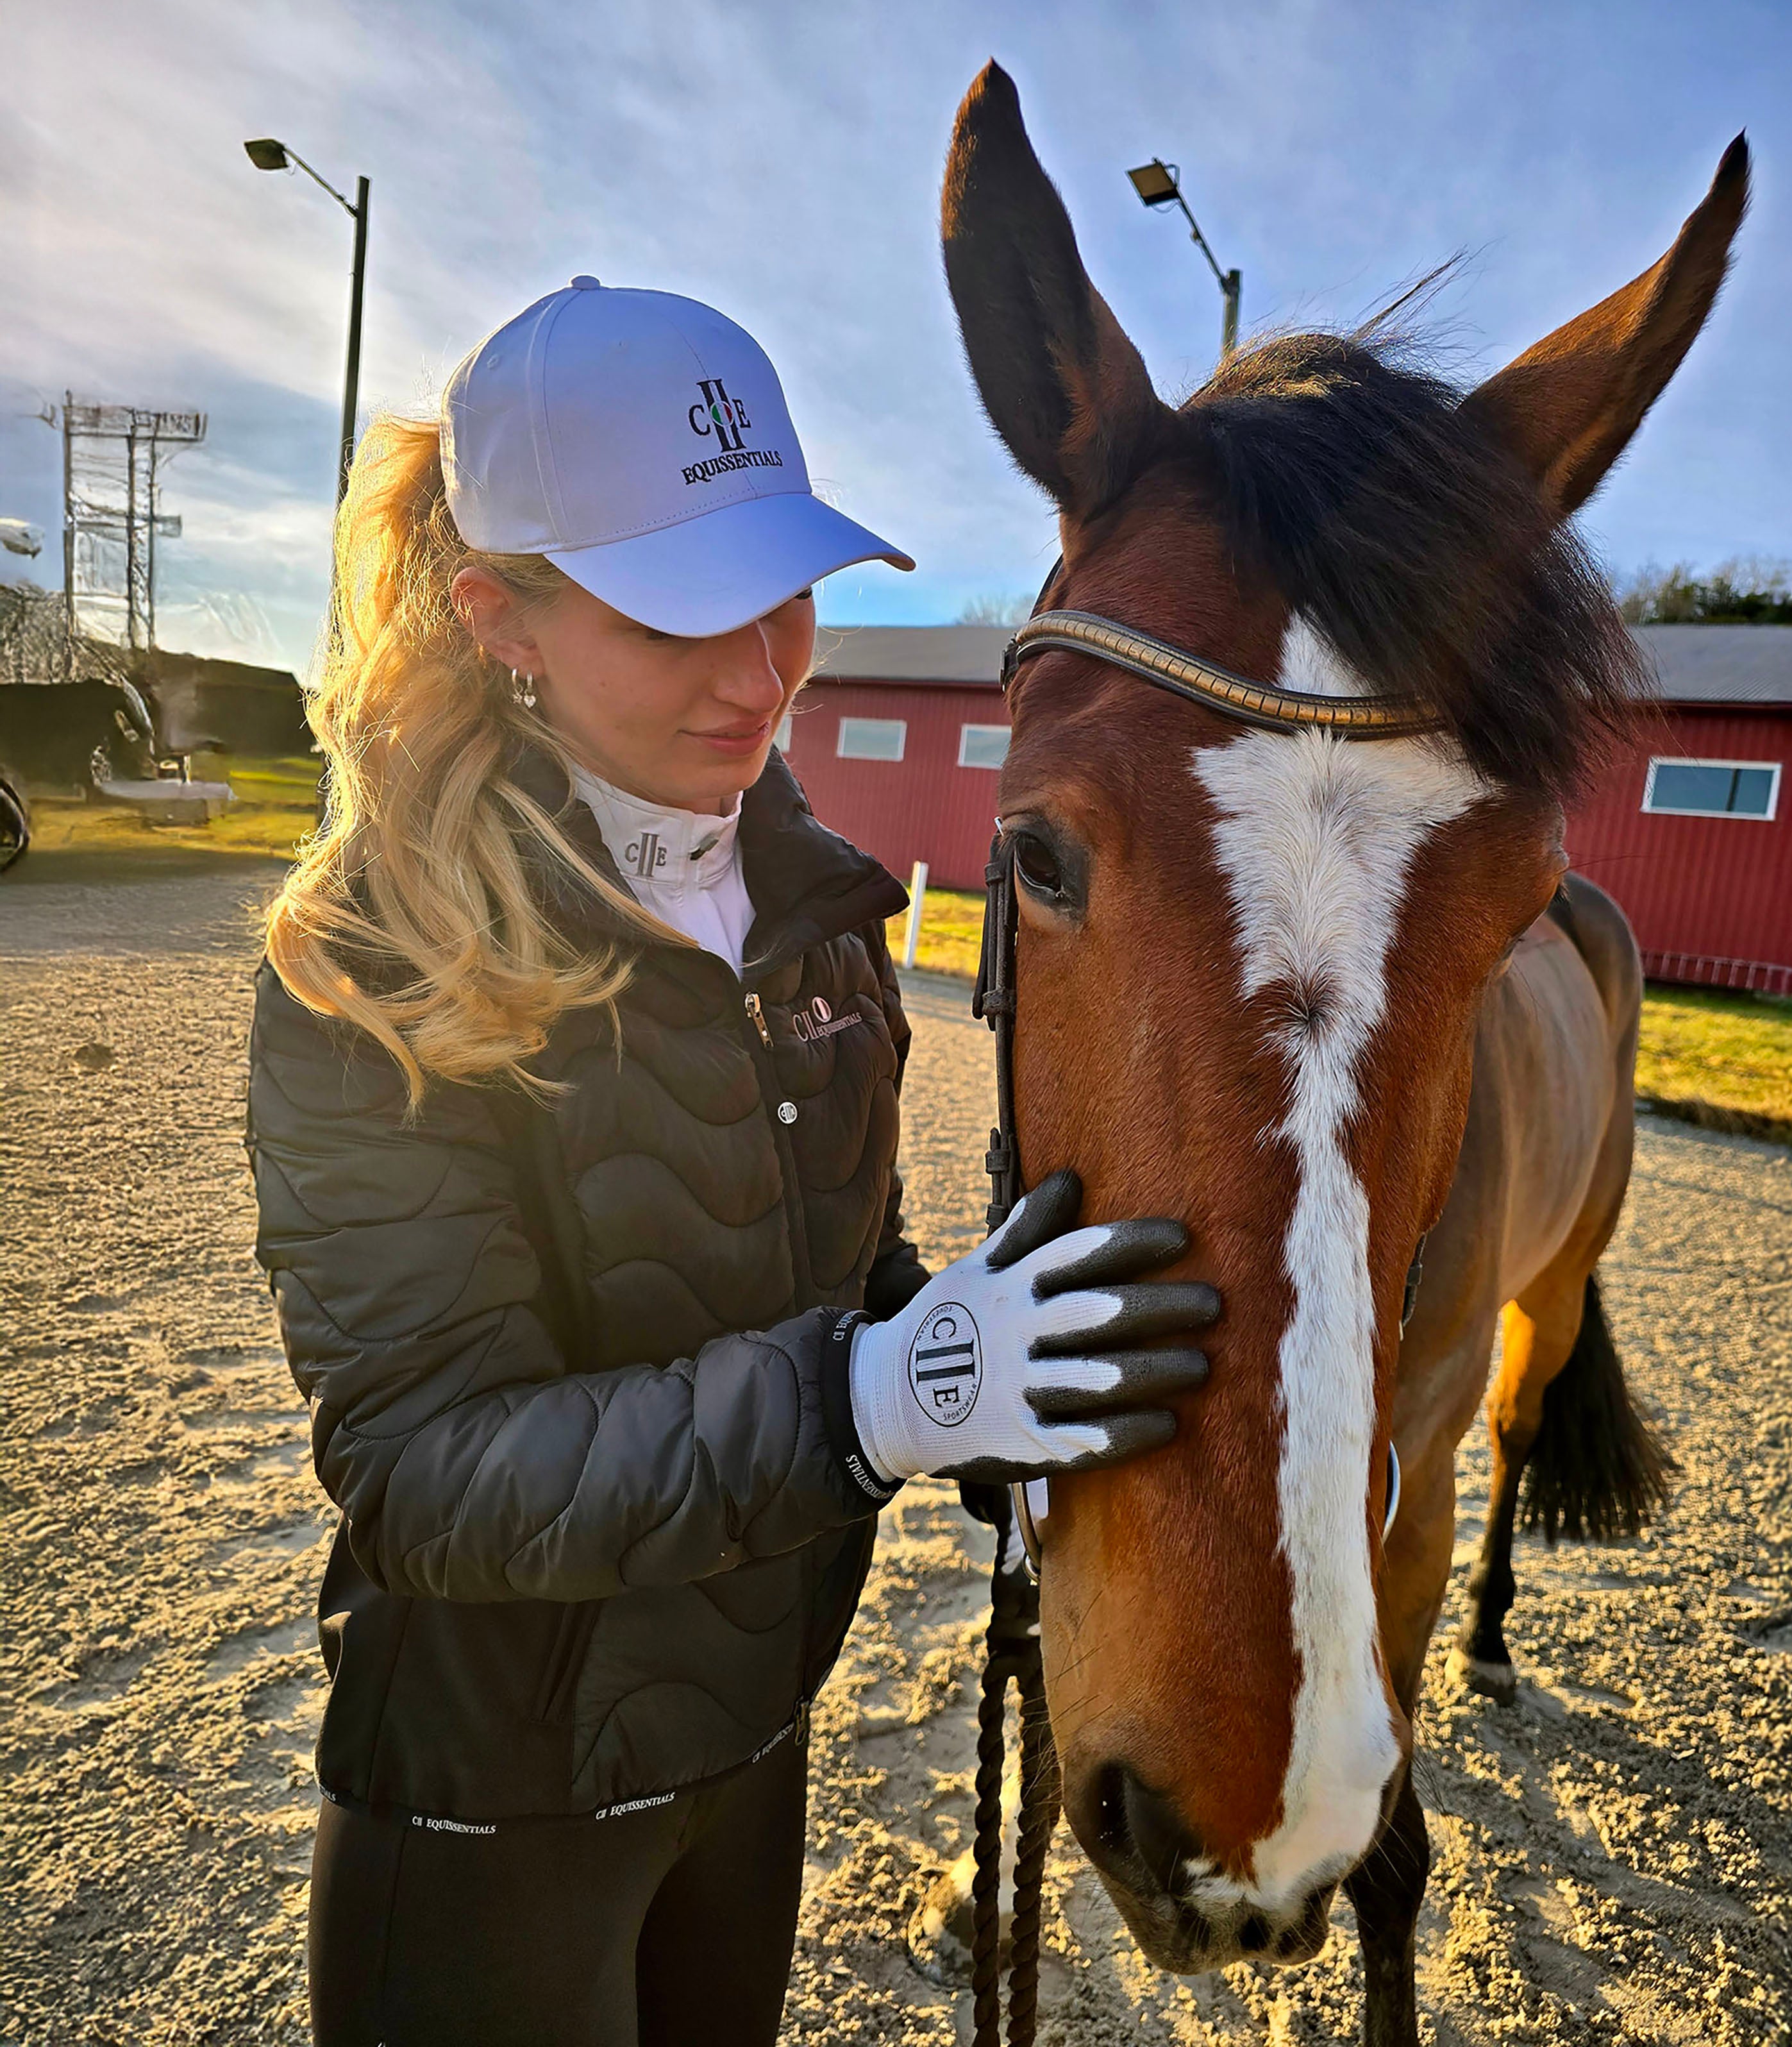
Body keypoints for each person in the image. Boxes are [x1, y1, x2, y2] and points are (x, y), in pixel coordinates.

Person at [246, 277, 1218, 2047]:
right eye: (677, 610)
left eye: (783, 591)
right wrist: (873, 1401)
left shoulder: (815, 910)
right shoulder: (377, 963)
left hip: (754, 1738)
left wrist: (994, 1366)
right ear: (500, 615)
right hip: (490, 1809)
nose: (762, 668)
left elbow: (841, 1279)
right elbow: (421, 1468)